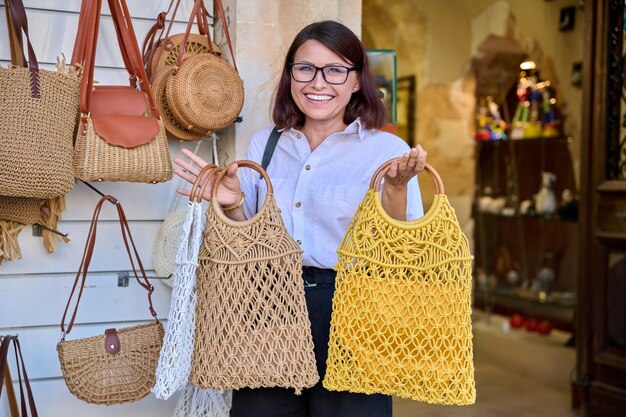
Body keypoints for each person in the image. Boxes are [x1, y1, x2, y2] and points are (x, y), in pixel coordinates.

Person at [174, 20, 427, 417]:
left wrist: (396, 189)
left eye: (336, 70)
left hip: (352, 309)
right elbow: (250, 240)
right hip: (268, 305)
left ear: (357, 81)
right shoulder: (266, 144)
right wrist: (232, 203)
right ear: (291, 75)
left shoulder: (386, 150)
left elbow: (401, 247)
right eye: (305, 68)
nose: (318, 82)